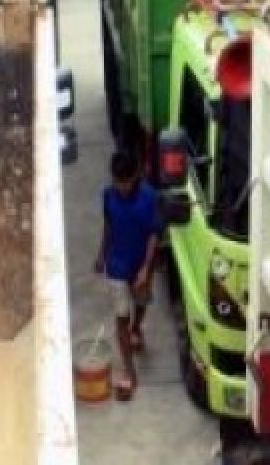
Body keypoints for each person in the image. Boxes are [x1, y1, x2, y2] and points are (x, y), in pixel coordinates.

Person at [95, 150, 161, 400]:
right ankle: (130, 371)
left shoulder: (149, 198)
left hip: (141, 264)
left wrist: (146, 267)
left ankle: (137, 327)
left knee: (141, 303)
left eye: (126, 181)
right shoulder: (107, 196)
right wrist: (102, 254)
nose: (121, 187)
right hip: (117, 267)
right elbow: (108, 225)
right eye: (117, 182)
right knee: (121, 318)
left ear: (137, 175)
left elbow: (154, 234)